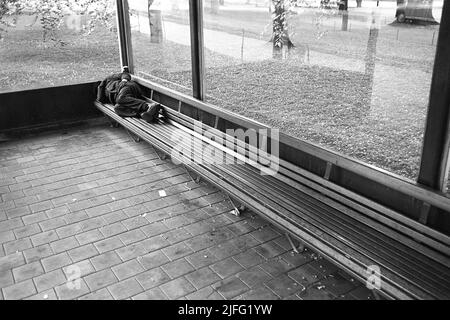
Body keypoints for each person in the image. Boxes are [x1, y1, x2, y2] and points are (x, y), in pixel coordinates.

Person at [97, 68, 165, 123]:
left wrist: (124, 80)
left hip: (127, 87)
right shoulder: (104, 93)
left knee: (120, 98)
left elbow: (125, 74)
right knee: (117, 108)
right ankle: (144, 114)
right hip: (127, 99)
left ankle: (148, 106)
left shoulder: (107, 79)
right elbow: (101, 99)